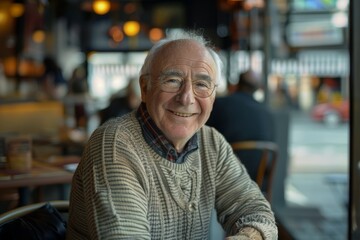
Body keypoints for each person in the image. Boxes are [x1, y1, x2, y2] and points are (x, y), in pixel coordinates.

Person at [67, 30, 277, 239]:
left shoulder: (211, 142)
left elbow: (258, 214)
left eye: (202, 84)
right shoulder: (114, 145)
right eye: (172, 80)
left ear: (214, 95)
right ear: (145, 87)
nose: (186, 98)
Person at [207, 70, 276, 188]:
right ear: (257, 88)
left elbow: (203, 137)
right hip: (257, 181)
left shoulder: (220, 105)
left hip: (223, 179)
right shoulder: (267, 113)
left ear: (237, 84)